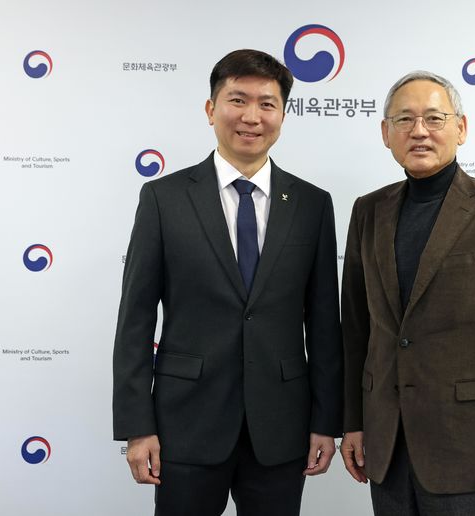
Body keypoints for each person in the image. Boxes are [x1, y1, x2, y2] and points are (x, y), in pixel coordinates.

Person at [112, 49, 343, 516]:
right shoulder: (163, 198)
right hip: (185, 423)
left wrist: (326, 421)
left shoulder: (312, 204)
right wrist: (138, 427)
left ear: (283, 115)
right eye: (238, 100)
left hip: (281, 426)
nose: (251, 117)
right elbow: (135, 321)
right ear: (211, 109)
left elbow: (323, 323)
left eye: (267, 104)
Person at [340, 71, 475, 516]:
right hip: (386, 443)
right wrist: (352, 421)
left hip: (468, 447)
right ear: (385, 133)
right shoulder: (368, 210)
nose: (419, 131)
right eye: (404, 119)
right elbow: (356, 330)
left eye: (434, 118)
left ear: (461, 128)